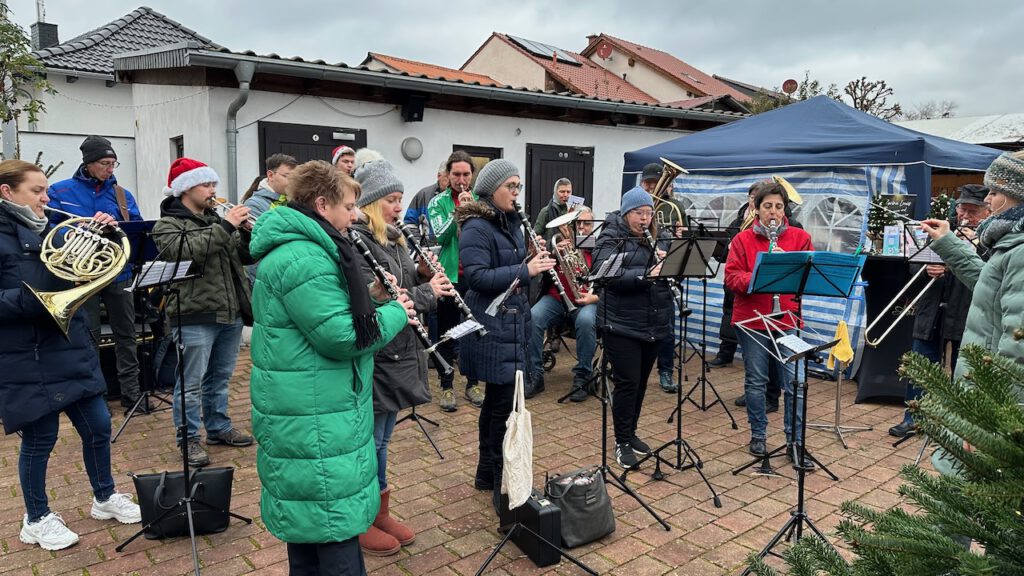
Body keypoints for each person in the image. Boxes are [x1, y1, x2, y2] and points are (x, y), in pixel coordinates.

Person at [248, 159, 414, 575]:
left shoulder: (308, 247)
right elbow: (342, 337)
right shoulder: (305, 257)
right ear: (322, 205)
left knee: (309, 533)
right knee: (331, 527)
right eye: (349, 206)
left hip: (310, 404)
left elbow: (329, 317)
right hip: (314, 416)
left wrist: (373, 298)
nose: (356, 215)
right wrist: (397, 312)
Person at [0, 159, 141, 551]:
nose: (47, 198)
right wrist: (34, 302)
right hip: (26, 353)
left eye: (46, 190)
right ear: (6, 192)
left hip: (69, 345)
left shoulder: (55, 228)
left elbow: (84, 276)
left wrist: (102, 237)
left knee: (97, 426)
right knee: (40, 438)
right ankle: (36, 518)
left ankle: (104, 497)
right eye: (37, 191)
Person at [351, 153, 454, 556]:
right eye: (392, 200)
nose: (399, 206)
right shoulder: (358, 241)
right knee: (371, 440)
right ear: (372, 203)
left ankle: (380, 511)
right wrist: (430, 293)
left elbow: (403, 284)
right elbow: (373, 301)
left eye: (400, 198)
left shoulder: (392, 238)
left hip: (402, 349)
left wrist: (425, 274)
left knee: (384, 437)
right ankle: (363, 516)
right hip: (380, 351)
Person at [454, 159, 555, 500]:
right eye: (510, 187)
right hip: (493, 322)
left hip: (513, 321)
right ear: (490, 189)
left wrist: (528, 255)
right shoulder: (476, 226)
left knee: (499, 402)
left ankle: (486, 474)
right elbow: (478, 278)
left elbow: (507, 266)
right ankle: (500, 482)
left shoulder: (510, 222)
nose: (516, 193)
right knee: (501, 408)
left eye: (518, 187)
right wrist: (525, 268)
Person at [920, 151, 1024, 476]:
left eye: (994, 192)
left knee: (968, 508)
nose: (988, 199)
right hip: (981, 391)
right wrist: (949, 243)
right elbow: (988, 286)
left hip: (990, 402)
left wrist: (990, 422)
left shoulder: (1019, 250)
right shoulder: (1010, 242)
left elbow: (1017, 347)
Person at [152, 158, 255, 468]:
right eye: (206, 185)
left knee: (220, 378)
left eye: (214, 185)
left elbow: (245, 257)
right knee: (191, 381)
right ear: (186, 189)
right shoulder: (167, 225)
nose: (213, 191)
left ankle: (219, 427)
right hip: (194, 313)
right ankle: (188, 439)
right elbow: (186, 252)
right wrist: (227, 226)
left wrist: (248, 234)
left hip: (229, 311)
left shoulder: (216, 219)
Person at [47, 135, 143, 409]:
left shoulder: (122, 194)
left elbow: (135, 226)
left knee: (127, 334)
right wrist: (82, 229)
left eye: (114, 163)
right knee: (90, 337)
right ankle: (95, 395)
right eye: (105, 163)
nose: (111, 169)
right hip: (82, 276)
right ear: (88, 163)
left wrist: (116, 225)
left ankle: (131, 393)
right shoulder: (61, 191)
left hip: (118, 273)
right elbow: (50, 231)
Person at [889, 184, 990, 438]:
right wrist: (926, 270)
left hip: (965, 313)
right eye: (962, 210)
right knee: (921, 367)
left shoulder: (991, 240)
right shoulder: (941, 232)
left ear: (987, 212)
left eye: (973, 212)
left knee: (964, 370)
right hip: (931, 310)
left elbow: (988, 277)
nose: (965, 217)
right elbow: (913, 265)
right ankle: (914, 417)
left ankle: (960, 425)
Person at [724, 179, 813, 462]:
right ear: (757, 209)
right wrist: (759, 277)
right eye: (767, 206)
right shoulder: (742, 239)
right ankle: (759, 436)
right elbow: (731, 278)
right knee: (756, 380)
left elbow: (809, 276)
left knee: (796, 381)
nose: (774, 212)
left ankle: (794, 441)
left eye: (778, 206)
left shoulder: (799, 238)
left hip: (787, 318)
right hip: (752, 320)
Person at [592, 187, 673, 470]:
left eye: (649, 213)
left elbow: (676, 271)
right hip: (621, 322)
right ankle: (621, 441)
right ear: (627, 213)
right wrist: (643, 276)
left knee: (640, 383)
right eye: (639, 213)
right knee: (627, 383)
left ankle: (632, 432)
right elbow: (604, 274)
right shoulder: (611, 236)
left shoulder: (660, 236)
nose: (645, 218)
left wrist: (669, 265)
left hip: (653, 320)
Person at [428, 151, 484, 411]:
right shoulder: (437, 203)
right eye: (456, 174)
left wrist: (474, 209)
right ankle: (446, 385)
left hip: (475, 275)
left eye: (466, 174)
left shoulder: (482, 201)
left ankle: (473, 383)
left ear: (472, 176)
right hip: (450, 277)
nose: (461, 179)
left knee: (473, 331)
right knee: (447, 332)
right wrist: (460, 211)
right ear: (448, 176)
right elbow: (440, 235)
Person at [526, 206, 599, 402]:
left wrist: (579, 249)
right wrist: (552, 253)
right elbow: (541, 269)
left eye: (587, 223)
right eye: (579, 223)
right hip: (557, 299)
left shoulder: (599, 247)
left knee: (585, 321)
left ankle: (583, 376)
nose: (582, 227)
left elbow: (602, 281)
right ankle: (535, 374)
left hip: (586, 301)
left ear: (593, 226)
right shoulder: (560, 244)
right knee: (533, 317)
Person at [640, 163, 689, 393]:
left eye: (656, 183)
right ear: (642, 184)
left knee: (667, 328)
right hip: (642, 271)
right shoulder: (635, 206)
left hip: (665, 272)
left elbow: (683, 245)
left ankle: (666, 371)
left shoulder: (675, 207)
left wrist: (681, 238)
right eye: (649, 183)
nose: (653, 187)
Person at [242, 154, 297, 284]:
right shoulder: (253, 204)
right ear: (271, 175)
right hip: (264, 275)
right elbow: (268, 240)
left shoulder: (291, 201)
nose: (291, 182)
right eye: (287, 176)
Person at [403, 160, 449, 244]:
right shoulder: (423, 195)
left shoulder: (461, 196)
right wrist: (417, 246)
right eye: (447, 177)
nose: (451, 182)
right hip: (430, 250)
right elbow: (409, 224)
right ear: (439, 176)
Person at [533, 178, 572, 245]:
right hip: (552, 252)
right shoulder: (546, 211)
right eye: (562, 192)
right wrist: (550, 246)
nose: (565, 195)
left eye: (568, 192)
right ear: (555, 192)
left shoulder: (573, 210)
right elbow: (536, 235)